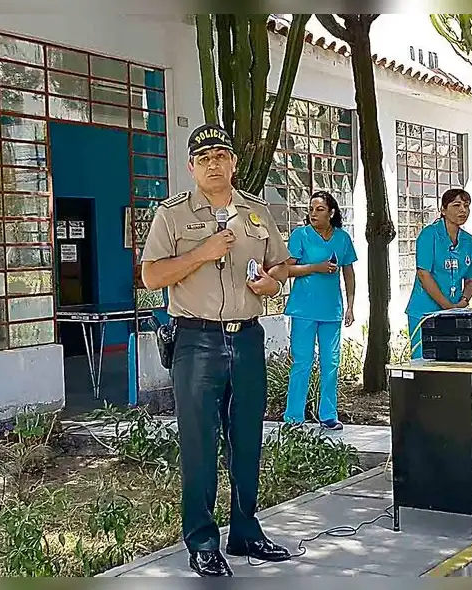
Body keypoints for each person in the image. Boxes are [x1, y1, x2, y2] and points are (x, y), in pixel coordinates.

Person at [140, 124, 292, 577]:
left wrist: (274, 280)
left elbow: (279, 263)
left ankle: (245, 529)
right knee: (200, 443)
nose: (213, 163)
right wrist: (203, 252)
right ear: (191, 167)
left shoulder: (258, 212)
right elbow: (151, 277)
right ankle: (202, 540)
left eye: (220, 155)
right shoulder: (171, 215)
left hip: (246, 336)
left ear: (233, 163)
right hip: (196, 340)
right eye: (203, 157)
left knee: (247, 440)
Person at [281, 191, 357, 430]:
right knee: (302, 363)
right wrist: (316, 267)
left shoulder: (342, 238)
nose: (313, 213)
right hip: (303, 309)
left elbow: (349, 272)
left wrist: (351, 306)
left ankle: (328, 414)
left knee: (331, 363)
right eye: (311, 209)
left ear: (331, 212)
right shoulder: (300, 236)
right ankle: (293, 417)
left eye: (319, 209)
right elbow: (287, 270)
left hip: (331, 311)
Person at [405, 188, 472, 358]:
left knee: (451, 362)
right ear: (443, 210)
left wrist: (464, 301)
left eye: (466, 206)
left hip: (455, 313)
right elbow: (424, 274)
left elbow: (470, 279)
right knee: (424, 361)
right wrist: (447, 306)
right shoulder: (429, 234)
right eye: (456, 205)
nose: (463, 210)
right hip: (426, 312)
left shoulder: (468, 240)